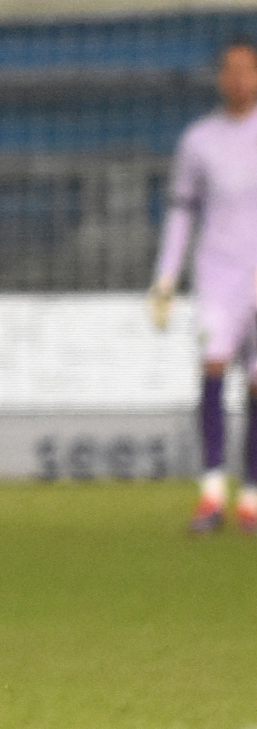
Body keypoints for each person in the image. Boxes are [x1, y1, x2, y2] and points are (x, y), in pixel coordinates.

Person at [151, 37, 257, 534]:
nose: (239, 79)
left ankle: (252, 496)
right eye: (231, 70)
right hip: (217, 274)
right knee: (213, 367)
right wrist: (166, 278)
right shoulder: (199, 140)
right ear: (220, 77)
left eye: (247, 69)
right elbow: (181, 213)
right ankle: (212, 492)